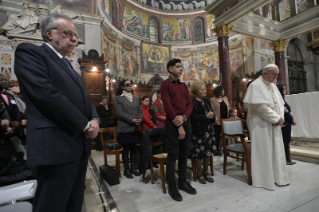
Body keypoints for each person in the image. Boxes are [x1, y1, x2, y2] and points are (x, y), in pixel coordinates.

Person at [14, 14, 100, 212]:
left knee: (73, 203)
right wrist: (85, 124)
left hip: (78, 144)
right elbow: (47, 95)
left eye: (75, 35)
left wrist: (94, 118)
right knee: (52, 205)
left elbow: (84, 99)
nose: (74, 39)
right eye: (68, 33)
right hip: (56, 144)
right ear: (49, 34)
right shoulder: (30, 53)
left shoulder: (67, 64)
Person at [243, 64, 289, 190]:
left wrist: (280, 119)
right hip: (260, 124)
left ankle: (278, 177)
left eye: (277, 74)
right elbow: (260, 107)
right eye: (273, 74)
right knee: (264, 151)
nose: (276, 77)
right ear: (265, 73)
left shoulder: (273, 85)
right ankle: (264, 180)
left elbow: (280, 104)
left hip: (274, 123)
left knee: (276, 150)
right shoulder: (255, 85)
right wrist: (276, 118)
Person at [161, 58, 196, 202]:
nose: (181, 69)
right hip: (172, 124)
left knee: (184, 154)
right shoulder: (165, 84)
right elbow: (168, 106)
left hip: (185, 122)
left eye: (181, 67)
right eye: (178, 67)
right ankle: (172, 186)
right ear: (170, 69)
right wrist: (179, 123)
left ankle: (182, 182)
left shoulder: (183, 86)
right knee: (173, 155)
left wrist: (184, 118)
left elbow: (190, 104)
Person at [189, 81, 216, 184]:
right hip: (199, 131)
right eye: (202, 89)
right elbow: (193, 117)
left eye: (205, 89)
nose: (205, 91)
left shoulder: (207, 101)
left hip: (209, 130)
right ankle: (199, 173)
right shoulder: (193, 102)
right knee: (199, 153)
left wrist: (212, 115)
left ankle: (206, 172)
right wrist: (205, 116)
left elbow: (212, 112)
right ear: (196, 91)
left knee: (208, 152)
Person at [115, 79, 143, 178]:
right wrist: (132, 120)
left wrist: (140, 119)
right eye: (127, 84)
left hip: (135, 127)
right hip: (125, 127)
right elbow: (120, 113)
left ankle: (133, 168)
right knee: (126, 149)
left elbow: (139, 110)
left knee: (134, 148)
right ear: (123, 87)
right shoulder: (119, 98)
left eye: (130, 84)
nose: (130, 85)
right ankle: (127, 169)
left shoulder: (135, 98)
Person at [277, 84, 297, 165]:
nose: (286, 90)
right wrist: (292, 120)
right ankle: (287, 160)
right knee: (286, 142)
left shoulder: (281, 99)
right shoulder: (281, 100)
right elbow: (286, 112)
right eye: (284, 89)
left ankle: (286, 159)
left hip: (285, 123)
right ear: (281, 90)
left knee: (285, 142)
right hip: (285, 123)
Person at [210, 86, 231, 156]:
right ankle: (217, 150)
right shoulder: (212, 99)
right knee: (217, 136)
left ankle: (226, 149)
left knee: (226, 136)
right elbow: (212, 110)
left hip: (226, 120)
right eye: (222, 90)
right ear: (218, 91)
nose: (223, 91)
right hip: (217, 120)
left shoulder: (225, 98)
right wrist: (215, 119)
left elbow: (228, 107)